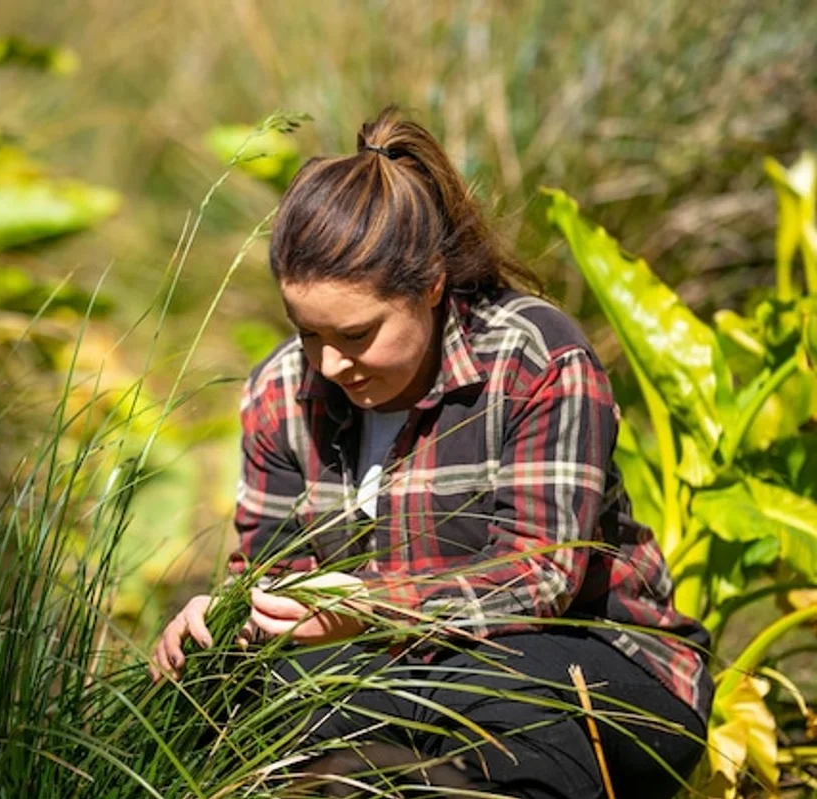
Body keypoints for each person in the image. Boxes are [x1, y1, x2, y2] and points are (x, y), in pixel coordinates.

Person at [149, 105, 713, 799]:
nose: (328, 364)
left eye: (356, 335)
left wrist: (369, 607)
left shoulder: (535, 357)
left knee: (505, 686)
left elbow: (540, 579)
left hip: (590, 666)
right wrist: (224, 621)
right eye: (308, 333)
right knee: (223, 695)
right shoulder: (278, 391)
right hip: (399, 680)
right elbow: (272, 573)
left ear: (432, 285)